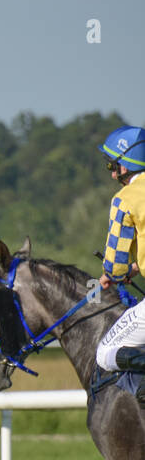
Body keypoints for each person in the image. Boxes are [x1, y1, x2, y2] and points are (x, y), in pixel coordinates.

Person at [93, 125, 145, 403]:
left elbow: (115, 266)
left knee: (105, 353)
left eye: (114, 165)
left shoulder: (124, 200)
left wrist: (115, 274)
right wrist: (136, 267)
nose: (113, 174)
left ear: (126, 165)